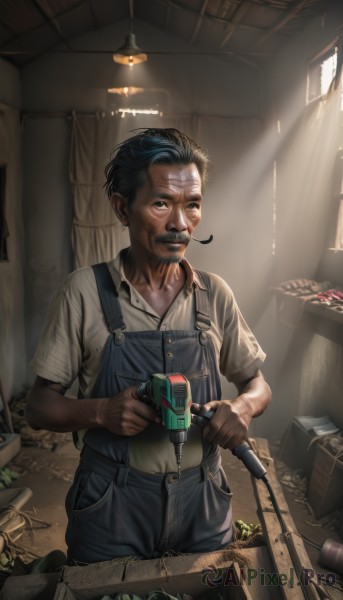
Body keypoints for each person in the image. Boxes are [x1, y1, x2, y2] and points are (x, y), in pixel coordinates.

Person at [26, 128, 271, 565]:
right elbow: (39, 406)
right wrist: (100, 412)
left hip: (203, 501)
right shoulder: (83, 292)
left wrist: (244, 408)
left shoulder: (214, 295)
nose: (180, 224)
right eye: (161, 203)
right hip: (110, 503)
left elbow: (256, 383)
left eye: (192, 205)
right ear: (123, 207)